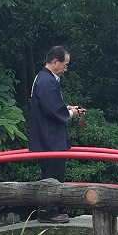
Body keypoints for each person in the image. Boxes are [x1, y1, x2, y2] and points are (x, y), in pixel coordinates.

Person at [29, 45, 85, 224]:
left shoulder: (45, 78)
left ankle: (52, 210)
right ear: (55, 62)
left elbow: (53, 104)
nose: (65, 69)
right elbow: (52, 109)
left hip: (48, 137)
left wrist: (67, 107)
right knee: (51, 177)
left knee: (53, 175)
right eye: (65, 65)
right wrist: (70, 113)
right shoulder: (46, 80)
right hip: (49, 138)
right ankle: (47, 212)